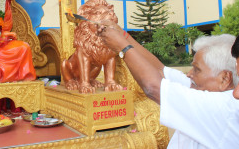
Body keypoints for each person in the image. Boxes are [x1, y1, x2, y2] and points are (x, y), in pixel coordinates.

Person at [98, 21, 239, 148]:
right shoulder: (198, 88)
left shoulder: (224, 108)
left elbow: (153, 87)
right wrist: (123, 35)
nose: (189, 74)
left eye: (197, 69)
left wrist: (122, 46)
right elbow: (159, 70)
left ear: (225, 79)